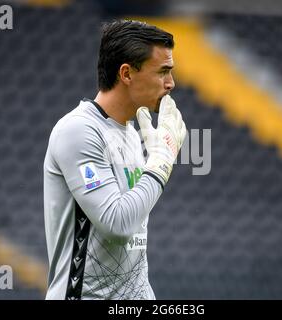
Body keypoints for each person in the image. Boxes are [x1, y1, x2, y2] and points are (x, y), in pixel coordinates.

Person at [43, 20, 186, 300]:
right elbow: (117, 224)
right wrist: (161, 161)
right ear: (126, 73)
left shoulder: (132, 133)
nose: (171, 83)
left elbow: (133, 242)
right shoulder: (79, 131)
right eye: (163, 72)